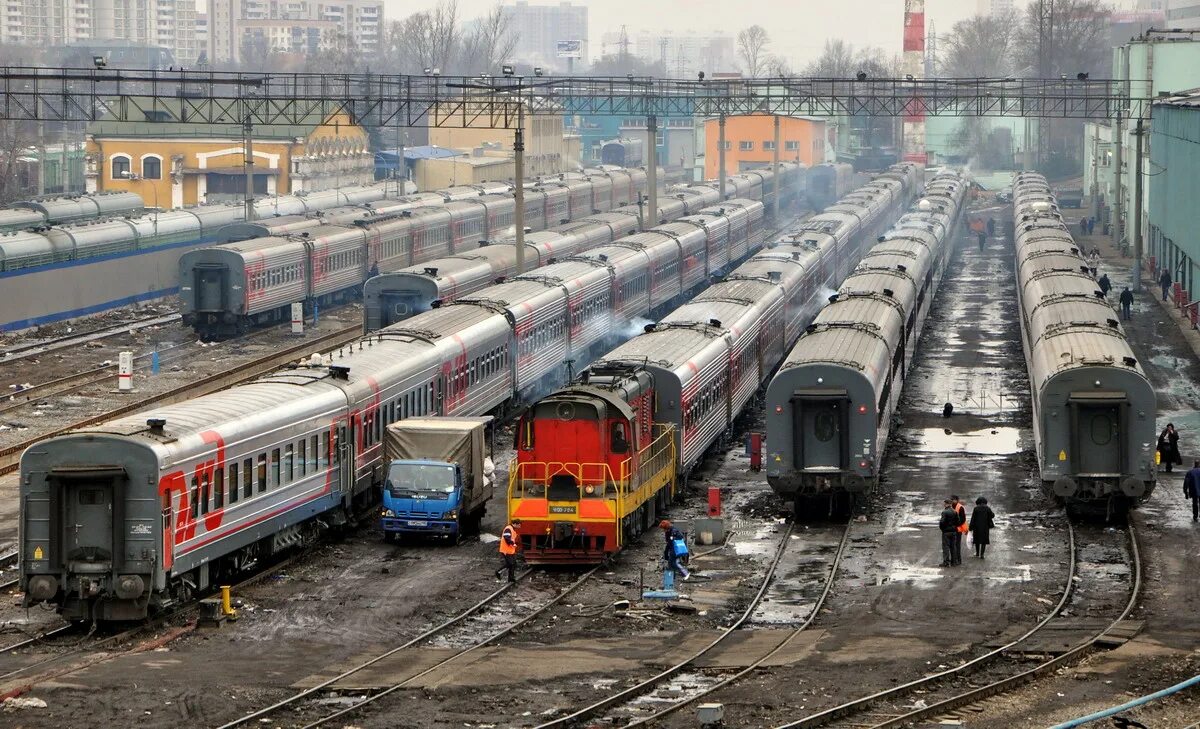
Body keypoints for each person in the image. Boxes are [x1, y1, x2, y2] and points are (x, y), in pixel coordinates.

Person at [495, 518, 522, 583]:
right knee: (511, 564)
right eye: (519, 525)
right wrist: (513, 544)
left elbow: (510, 538)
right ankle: (499, 572)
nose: (520, 526)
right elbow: (506, 538)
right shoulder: (508, 528)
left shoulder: (512, 529)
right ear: (515, 524)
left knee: (513, 564)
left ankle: (511, 579)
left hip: (510, 550)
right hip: (506, 550)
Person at [938, 499, 958, 568]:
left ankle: (946, 562)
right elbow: (958, 521)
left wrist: (942, 529)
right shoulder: (955, 512)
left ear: (947, 504)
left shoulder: (944, 512)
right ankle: (954, 562)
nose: (943, 505)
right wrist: (954, 527)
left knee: (946, 547)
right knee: (953, 547)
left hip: (946, 532)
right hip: (953, 531)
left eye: (944, 504)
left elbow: (942, 522)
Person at [950, 494, 968, 566]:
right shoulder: (950, 507)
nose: (952, 501)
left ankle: (958, 560)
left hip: (958, 529)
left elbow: (963, 519)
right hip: (951, 529)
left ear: (957, 500)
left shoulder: (960, 507)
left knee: (957, 545)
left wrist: (956, 525)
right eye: (951, 499)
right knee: (952, 545)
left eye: (953, 499)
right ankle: (953, 560)